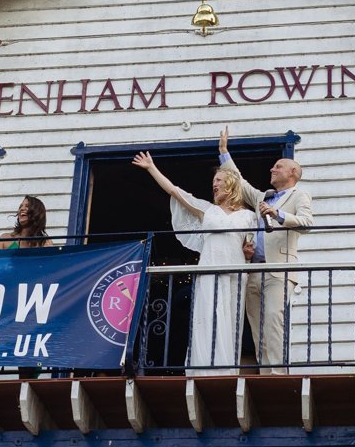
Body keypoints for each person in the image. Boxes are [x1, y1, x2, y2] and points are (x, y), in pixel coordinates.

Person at [131, 151, 257, 376]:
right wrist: (151, 167)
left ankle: (227, 368)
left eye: (218, 180)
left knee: (230, 319)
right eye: (213, 182)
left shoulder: (248, 216)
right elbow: (175, 191)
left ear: (230, 184)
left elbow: (249, 248)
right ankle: (203, 369)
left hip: (235, 274)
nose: (214, 185)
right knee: (208, 316)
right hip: (209, 271)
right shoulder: (208, 211)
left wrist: (248, 251)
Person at [218, 127, 313, 375]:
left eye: (278, 166)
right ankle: (265, 374)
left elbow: (306, 223)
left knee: (273, 320)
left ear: (293, 172)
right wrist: (224, 153)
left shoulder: (298, 195)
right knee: (257, 326)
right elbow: (239, 181)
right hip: (254, 268)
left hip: (279, 270)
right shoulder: (263, 196)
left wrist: (277, 214)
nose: (272, 169)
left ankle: (279, 376)